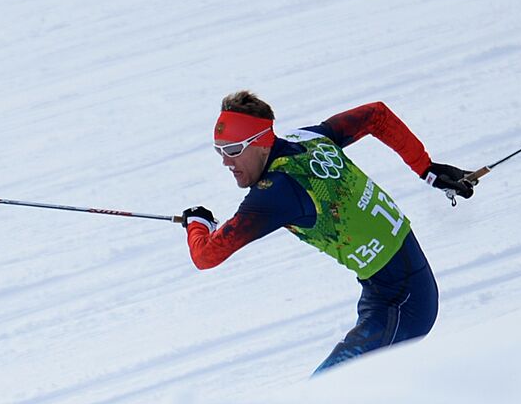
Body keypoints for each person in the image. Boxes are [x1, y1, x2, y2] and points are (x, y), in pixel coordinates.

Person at [181, 91, 475, 374]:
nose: (225, 161)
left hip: (401, 307)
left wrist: (197, 223)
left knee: (321, 393)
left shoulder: (275, 193)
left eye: (233, 150)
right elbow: (377, 115)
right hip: (392, 292)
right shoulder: (306, 138)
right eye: (219, 150)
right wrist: (426, 168)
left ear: (261, 143)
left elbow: (205, 255)